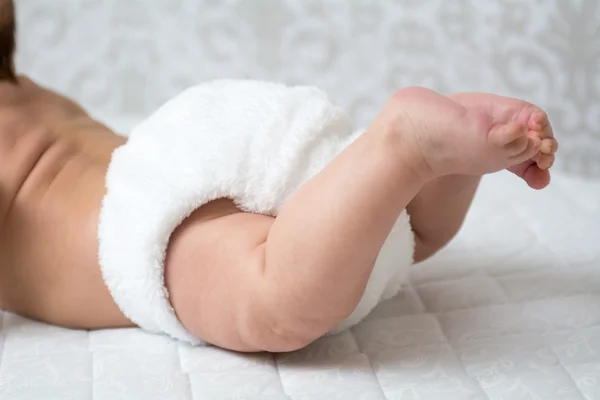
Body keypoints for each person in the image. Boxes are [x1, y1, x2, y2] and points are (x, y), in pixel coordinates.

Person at [0, 1, 557, 353]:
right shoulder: (29, 92)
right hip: (207, 131)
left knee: (276, 301)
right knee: (402, 239)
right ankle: (460, 152)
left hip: (139, 223)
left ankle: (406, 146)